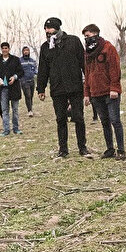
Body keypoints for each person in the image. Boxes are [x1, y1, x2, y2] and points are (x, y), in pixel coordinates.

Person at [37, 17, 92, 158]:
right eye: (45, 29)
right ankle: (63, 149)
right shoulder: (45, 47)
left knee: (78, 118)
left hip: (75, 87)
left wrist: (89, 84)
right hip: (57, 88)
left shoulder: (73, 41)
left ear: (57, 28)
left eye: (49, 28)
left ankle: (82, 147)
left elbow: (83, 63)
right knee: (60, 119)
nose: (47, 31)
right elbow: (43, 69)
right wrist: (41, 89)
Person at [82, 24, 125, 160]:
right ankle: (109, 149)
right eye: (85, 37)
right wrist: (87, 93)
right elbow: (87, 73)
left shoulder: (108, 48)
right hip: (96, 93)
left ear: (95, 34)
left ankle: (121, 150)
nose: (86, 39)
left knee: (115, 120)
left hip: (110, 93)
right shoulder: (88, 53)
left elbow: (115, 70)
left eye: (88, 36)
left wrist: (114, 88)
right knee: (104, 122)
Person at [0, 42, 24, 136]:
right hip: (3, 89)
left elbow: (21, 72)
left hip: (14, 88)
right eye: (3, 48)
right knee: (5, 110)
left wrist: (14, 77)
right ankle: (6, 129)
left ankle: (16, 128)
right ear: (1, 49)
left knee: (15, 109)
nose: (4, 50)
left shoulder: (15, 60)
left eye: (6, 48)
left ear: (9, 49)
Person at [19, 46, 38, 116]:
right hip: (24, 81)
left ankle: (31, 109)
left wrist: (36, 73)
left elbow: (35, 69)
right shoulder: (20, 60)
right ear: (22, 52)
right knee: (28, 95)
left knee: (31, 96)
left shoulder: (32, 60)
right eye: (24, 50)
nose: (26, 52)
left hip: (32, 80)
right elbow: (18, 70)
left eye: (27, 50)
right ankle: (29, 111)